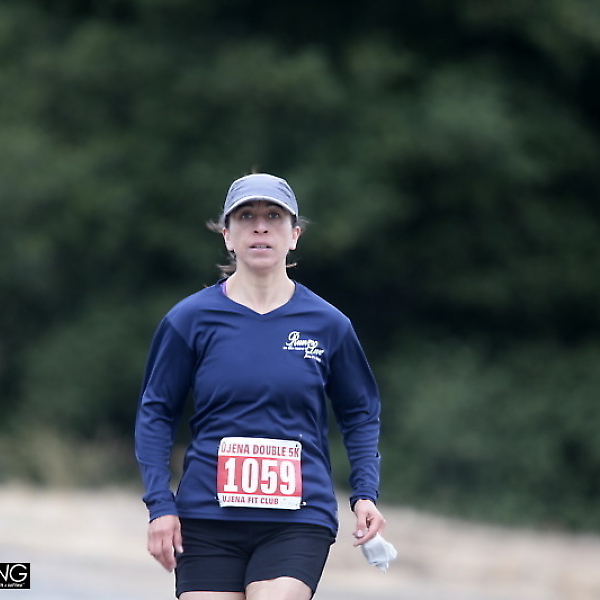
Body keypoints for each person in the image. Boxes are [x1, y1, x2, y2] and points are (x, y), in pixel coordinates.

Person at [135, 173, 385, 600]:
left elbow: (360, 413)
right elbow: (156, 413)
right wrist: (160, 505)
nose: (260, 227)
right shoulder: (189, 320)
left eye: (274, 217)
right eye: (246, 217)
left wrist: (364, 493)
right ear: (227, 236)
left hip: (297, 518)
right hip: (207, 516)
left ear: (295, 235)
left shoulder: (329, 325)